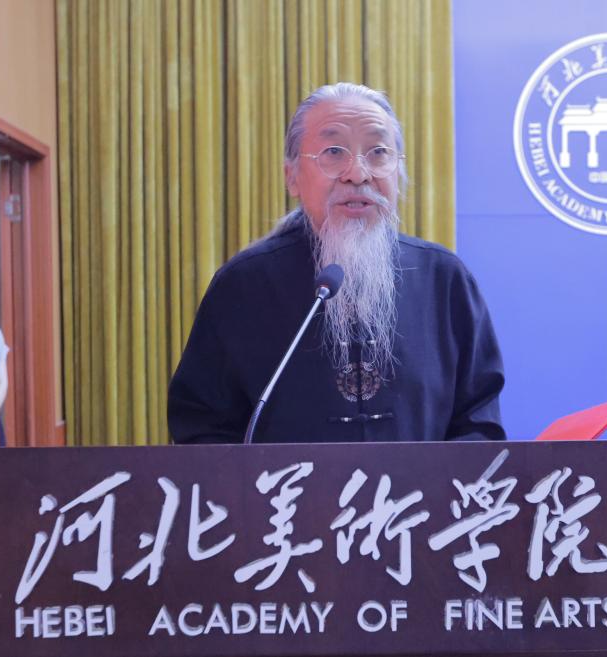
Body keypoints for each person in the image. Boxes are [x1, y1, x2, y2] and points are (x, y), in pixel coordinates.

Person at [168, 82, 505, 444]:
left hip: (425, 486)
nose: (357, 173)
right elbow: (204, 431)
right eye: (333, 151)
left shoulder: (444, 280)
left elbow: (478, 425)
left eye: (378, 152)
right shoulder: (244, 286)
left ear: (399, 171)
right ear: (292, 176)